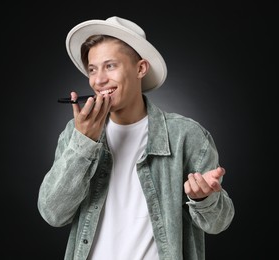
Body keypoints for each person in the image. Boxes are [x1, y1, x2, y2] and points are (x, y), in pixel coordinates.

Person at [37, 16, 235, 260]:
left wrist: (204, 197)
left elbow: (218, 223)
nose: (98, 80)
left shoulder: (187, 135)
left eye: (110, 66)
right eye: (92, 69)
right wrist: (83, 143)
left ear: (140, 68)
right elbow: (53, 214)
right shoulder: (74, 132)